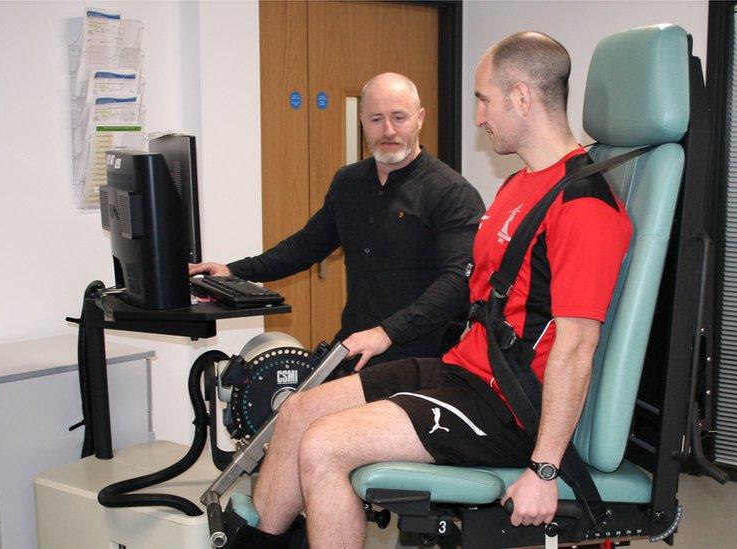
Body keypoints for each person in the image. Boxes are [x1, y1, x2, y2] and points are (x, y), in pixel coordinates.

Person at [249, 32, 633, 548]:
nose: (478, 117)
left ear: (521, 97)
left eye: (484, 99)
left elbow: (577, 345)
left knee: (324, 445)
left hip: (509, 406)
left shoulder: (583, 203)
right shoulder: (521, 185)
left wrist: (543, 471)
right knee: (299, 411)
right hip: (464, 370)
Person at [190, 73, 484, 369]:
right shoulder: (349, 182)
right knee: (290, 407)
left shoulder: (451, 192)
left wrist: (387, 333)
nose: (389, 130)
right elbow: (304, 247)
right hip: (355, 348)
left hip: (422, 358)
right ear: (361, 120)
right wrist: (232, 271)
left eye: (399, 117)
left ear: (420, 118)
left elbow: (457, 282)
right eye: (376, 119)